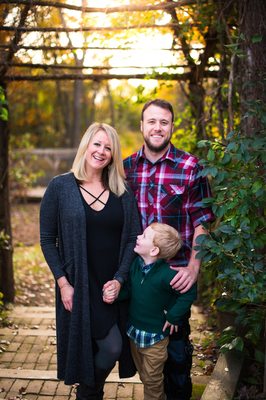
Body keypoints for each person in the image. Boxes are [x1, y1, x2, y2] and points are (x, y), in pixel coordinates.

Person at [40, 122, 141, 400]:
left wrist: (120, 279)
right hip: (79, 285)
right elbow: (48, 239)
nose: (101, 151)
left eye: (108, 147)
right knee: (107, 347)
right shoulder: (60, 187)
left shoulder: (122, 192)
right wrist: (63, 284)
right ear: (86, 145)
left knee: (110, 348)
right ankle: (89, 394)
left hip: (110, 287)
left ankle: (87, 395)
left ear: (113, 153)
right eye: (97, 144)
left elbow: (133, 237)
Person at [123, 99, 214, 400]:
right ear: (141, 125)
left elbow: (202, 222)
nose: (157, 127)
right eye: (151, 121)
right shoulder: (127, 169)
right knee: (142, 355)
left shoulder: (190, 167)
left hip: (174, 279)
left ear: (172, 126)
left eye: (164, 122)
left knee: (176, 360)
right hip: (139, 278)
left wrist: (193, 268)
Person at [117, 222, 197, 400]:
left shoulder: (168, 274)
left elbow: (189, 292)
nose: (138, 237)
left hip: (155, 340)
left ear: (154, 251)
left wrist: (174, 315)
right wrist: (116, 293)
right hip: (134, 334)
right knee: (145, 377)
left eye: (144, 236)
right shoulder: (135, 266)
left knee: (153, 382)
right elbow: (131, 289)